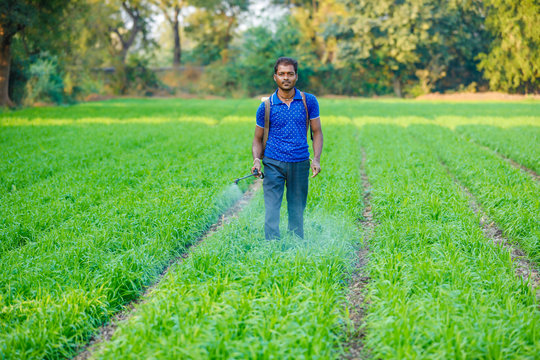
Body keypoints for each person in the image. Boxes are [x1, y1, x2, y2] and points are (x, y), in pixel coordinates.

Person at [251, 57, 323, 240]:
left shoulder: (309, 101)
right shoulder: (266, 106)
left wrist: (316, 159)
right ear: (275, 77)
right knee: (272, 210)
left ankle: (296, 246)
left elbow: (317, 132)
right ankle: (272, 248)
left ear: (296, 77)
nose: (286, 78)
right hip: (273, 163)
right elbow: (257, 139)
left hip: (299, 163)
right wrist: (257, 160)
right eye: (281, 74)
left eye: (290, 74)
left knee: (297, 210)